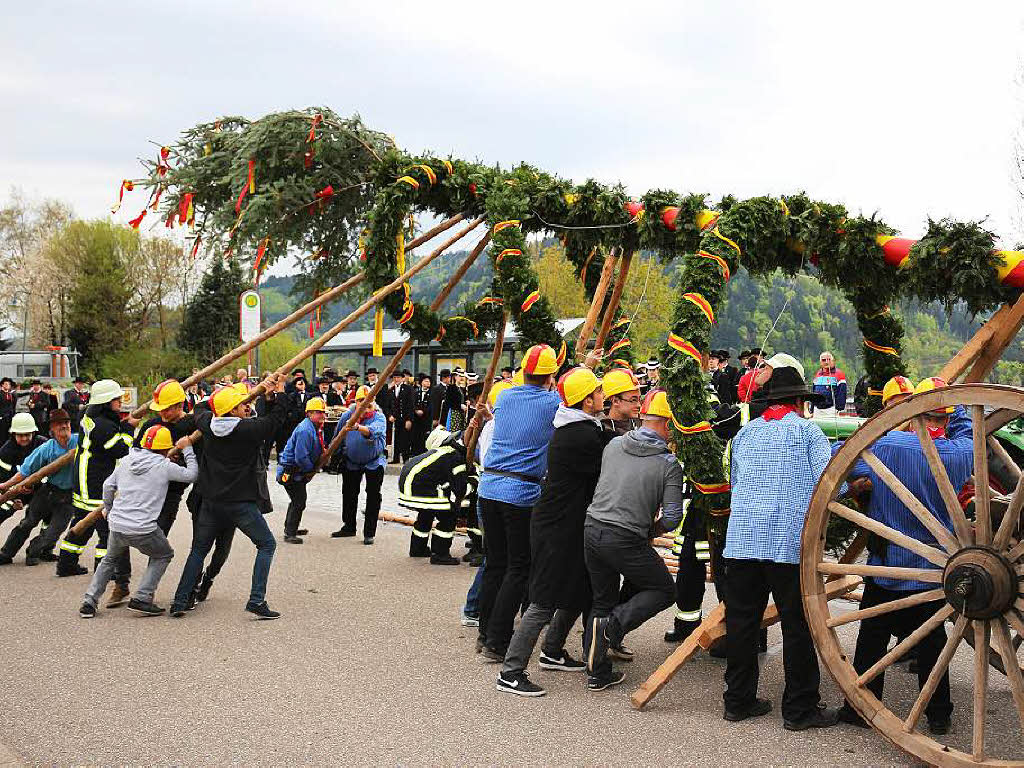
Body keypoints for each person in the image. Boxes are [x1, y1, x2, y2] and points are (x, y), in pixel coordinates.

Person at [836, 377, 970, 735]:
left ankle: (860, 705)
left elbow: (842, 457)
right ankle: (939, 713)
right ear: (945, 417)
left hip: (888, 561)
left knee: (873, 635)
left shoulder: (888, 445)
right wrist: (953, 407)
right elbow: (967, 427)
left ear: (913, 413)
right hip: (932, 567)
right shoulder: (960, 454)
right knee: (932, 643)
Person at [722, 359, 839, 730]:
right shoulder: (808, 434)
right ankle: (799, 708)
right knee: (796, 624)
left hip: (741, 539)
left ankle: (738, 701)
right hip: (786, 543)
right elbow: (829, 484)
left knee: (742, 623)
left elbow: (735, 479)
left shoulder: (745, 434)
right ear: (799, 402)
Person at [497, 367, 609, 696]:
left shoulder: (579, 424)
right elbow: (610, 460)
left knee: (579, 587)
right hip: (556, 527)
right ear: (588, 402)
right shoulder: (582, 436)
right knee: (543, 600)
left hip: (567, 522)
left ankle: (553, 650)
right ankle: (511, 670)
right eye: (600, 392)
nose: (604, 396)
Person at [583, 390, 684, 691]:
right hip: (626, 537)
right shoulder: (668, 464)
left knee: (602, 600)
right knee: (665, 590)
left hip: (592, 528)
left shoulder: (614, 444)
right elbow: (673, 517)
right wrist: (649, 531)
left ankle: (597, 672)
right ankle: (612, 629)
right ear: (668, 426)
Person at [170, 375, 286, 619]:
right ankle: (256, 600)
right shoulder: (249, 429)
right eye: (242, 404)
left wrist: (219, 396)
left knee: (198, 550)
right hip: (241, 505)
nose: (247, 407)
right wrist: (276, 392)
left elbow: (202, 407)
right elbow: (276, 419)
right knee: (266, 545)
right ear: (232, 410)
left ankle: (180, 601)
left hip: (211, 503)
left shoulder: (206, 424)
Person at [476, 345, 562, 661]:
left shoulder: (506, 397)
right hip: (520, 493)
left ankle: (485, 632)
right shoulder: (553, 402)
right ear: (550, 376)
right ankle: (498, 641)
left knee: (495, 564)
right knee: (518, 568)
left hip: (489, 488)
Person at [78, 425, 198, 618]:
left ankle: (89, 602)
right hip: (144, 528)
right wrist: (187, 449)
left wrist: (108, 508)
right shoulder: (164, 466)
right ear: (166, 448)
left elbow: (108, 486)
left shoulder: (126, 460)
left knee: (109, 560)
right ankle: (142, 597)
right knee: (164, 554)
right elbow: (191, 475)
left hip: (117, 525)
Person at [59, 379, 134, 584]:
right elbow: (121, 450)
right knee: (105, 527)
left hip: (84, 476)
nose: (120, 402)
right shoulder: (103, 425)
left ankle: (66, 563)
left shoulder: (90, 417)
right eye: (117, 399)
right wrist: (128, 430)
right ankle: (105, 570)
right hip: (95, 478)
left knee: (83, 521)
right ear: (106, 401)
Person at [0, 409, 78, 567]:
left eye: (66, 423)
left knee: (52, 533)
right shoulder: (45, 448)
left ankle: (35, 550)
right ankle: (6, 553)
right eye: (59, 424)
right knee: (28, 522)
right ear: (52, 429)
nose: (64, 426)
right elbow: (24, 472)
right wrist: (5, 487)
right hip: (47, 491)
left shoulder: (80, 442)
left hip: (69, 496)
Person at [399, 428, 477, 565]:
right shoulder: (457, 458)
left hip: (408, 483)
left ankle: (417, 548)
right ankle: (440, 554)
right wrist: (474, 481)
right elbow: (461, 490)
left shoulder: (443, 451)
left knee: (426, 513)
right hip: (421, 486)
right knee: (448, 516)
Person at [135, 379, 197, 537]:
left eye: (166, 409)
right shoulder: (151, 425)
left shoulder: (193, 428)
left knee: (159, 538)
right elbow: (135, 453)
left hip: (172, 493)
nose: (162, 413)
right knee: (126, 533)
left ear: (180, 405)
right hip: (145, 490)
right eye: (159, 409)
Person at [332, 386, 387, 544]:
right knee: (349, 494)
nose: (364, 405)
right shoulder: (348, 415)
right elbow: (338, 435)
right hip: (352, 461)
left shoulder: (379, 417)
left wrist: (357, 426)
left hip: (374, 461)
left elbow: (373, 431)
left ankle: (369, 533)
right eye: (360, 402)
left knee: (373, 496)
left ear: (372, 402)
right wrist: (331, 453)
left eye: (367, 402)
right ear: (355, 402)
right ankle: (348, 527)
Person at [276, 396, 326, 544]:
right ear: (309, 414)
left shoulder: (313, 427)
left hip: (296, 471)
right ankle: (290, 532)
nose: (322, 415)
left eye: (323, 412)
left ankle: (291, 527)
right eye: (318, 412)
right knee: (299, 501)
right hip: (291, 471)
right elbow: (301, 456)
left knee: (296, 500)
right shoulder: (306, 430)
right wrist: (310, 470)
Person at [0, 413, 46, 530]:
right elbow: (4, 478)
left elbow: (51, 469)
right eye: (20, 435)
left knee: (48, 511)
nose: (25, 438)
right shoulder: (6, 451)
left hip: (41, 487)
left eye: (27, 434)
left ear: (34, 433)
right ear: (13, 434)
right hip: (16, 489)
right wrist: (15, 499)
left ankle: (44, 544)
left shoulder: (43, 444)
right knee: (3, 509)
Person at [600, 368, 641, 436]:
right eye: (633, 400)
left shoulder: (640, 422)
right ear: (615, 401)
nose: (639, 405)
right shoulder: (603, 432)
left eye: (639, 399)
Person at [411, 374, 432, 456]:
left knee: (425, 437)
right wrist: (416, 410)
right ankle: (415, 453)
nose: (428, 383)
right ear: (421, 382)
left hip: (426, 419)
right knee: (416, 437)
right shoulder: (416, 392)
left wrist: (423, 411)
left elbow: (431, 406)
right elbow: (413, 403)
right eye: (426, 381)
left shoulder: (432, 393)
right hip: (416, 420)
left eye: (429, 381)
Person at [0, 377, 16, 448]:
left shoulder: (11, 394)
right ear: (2, 385)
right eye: (6, 384)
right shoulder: (0, 394)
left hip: (10, 418)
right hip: (2, 418)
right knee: (2, 435)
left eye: (9, 384)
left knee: (9, 435)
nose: (7, 385)